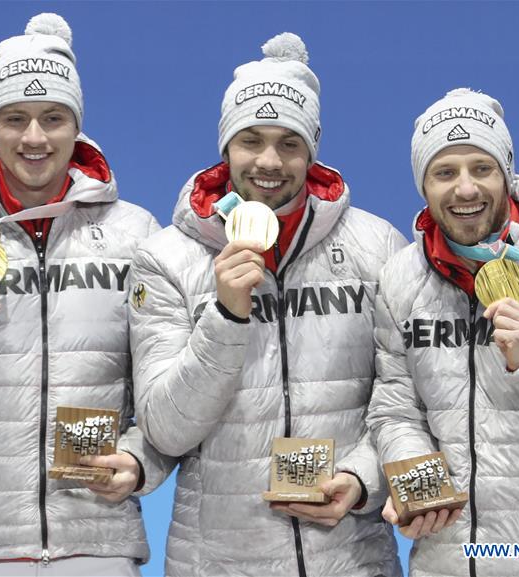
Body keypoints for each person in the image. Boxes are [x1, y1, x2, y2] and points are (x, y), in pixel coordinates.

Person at [128, 32, 404, 577]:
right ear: (225, 146)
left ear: (313, 149)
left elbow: (406, 399)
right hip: (218, 563)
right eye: (251, 140)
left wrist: (362, 479)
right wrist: (227, 315)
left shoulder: (378, 247)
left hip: (351, 557)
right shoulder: (166, 258)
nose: (269, 161)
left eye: (289, 143)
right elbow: (165, 429)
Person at [0, 13, 174, 576]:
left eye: (53, 118)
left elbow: (165, 393)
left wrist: (139, 461)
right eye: (15, 118)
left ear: (76, 124)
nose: (34, 138)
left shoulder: (136, 233)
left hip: (98, 542)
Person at [367, 88, 519, 576]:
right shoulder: (400, 278)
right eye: (445, 172)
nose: (465, 190)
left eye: (481, 168)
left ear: (506, 174)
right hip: (446, 563)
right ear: (423, 185)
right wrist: (419, 485)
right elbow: (395, 407)